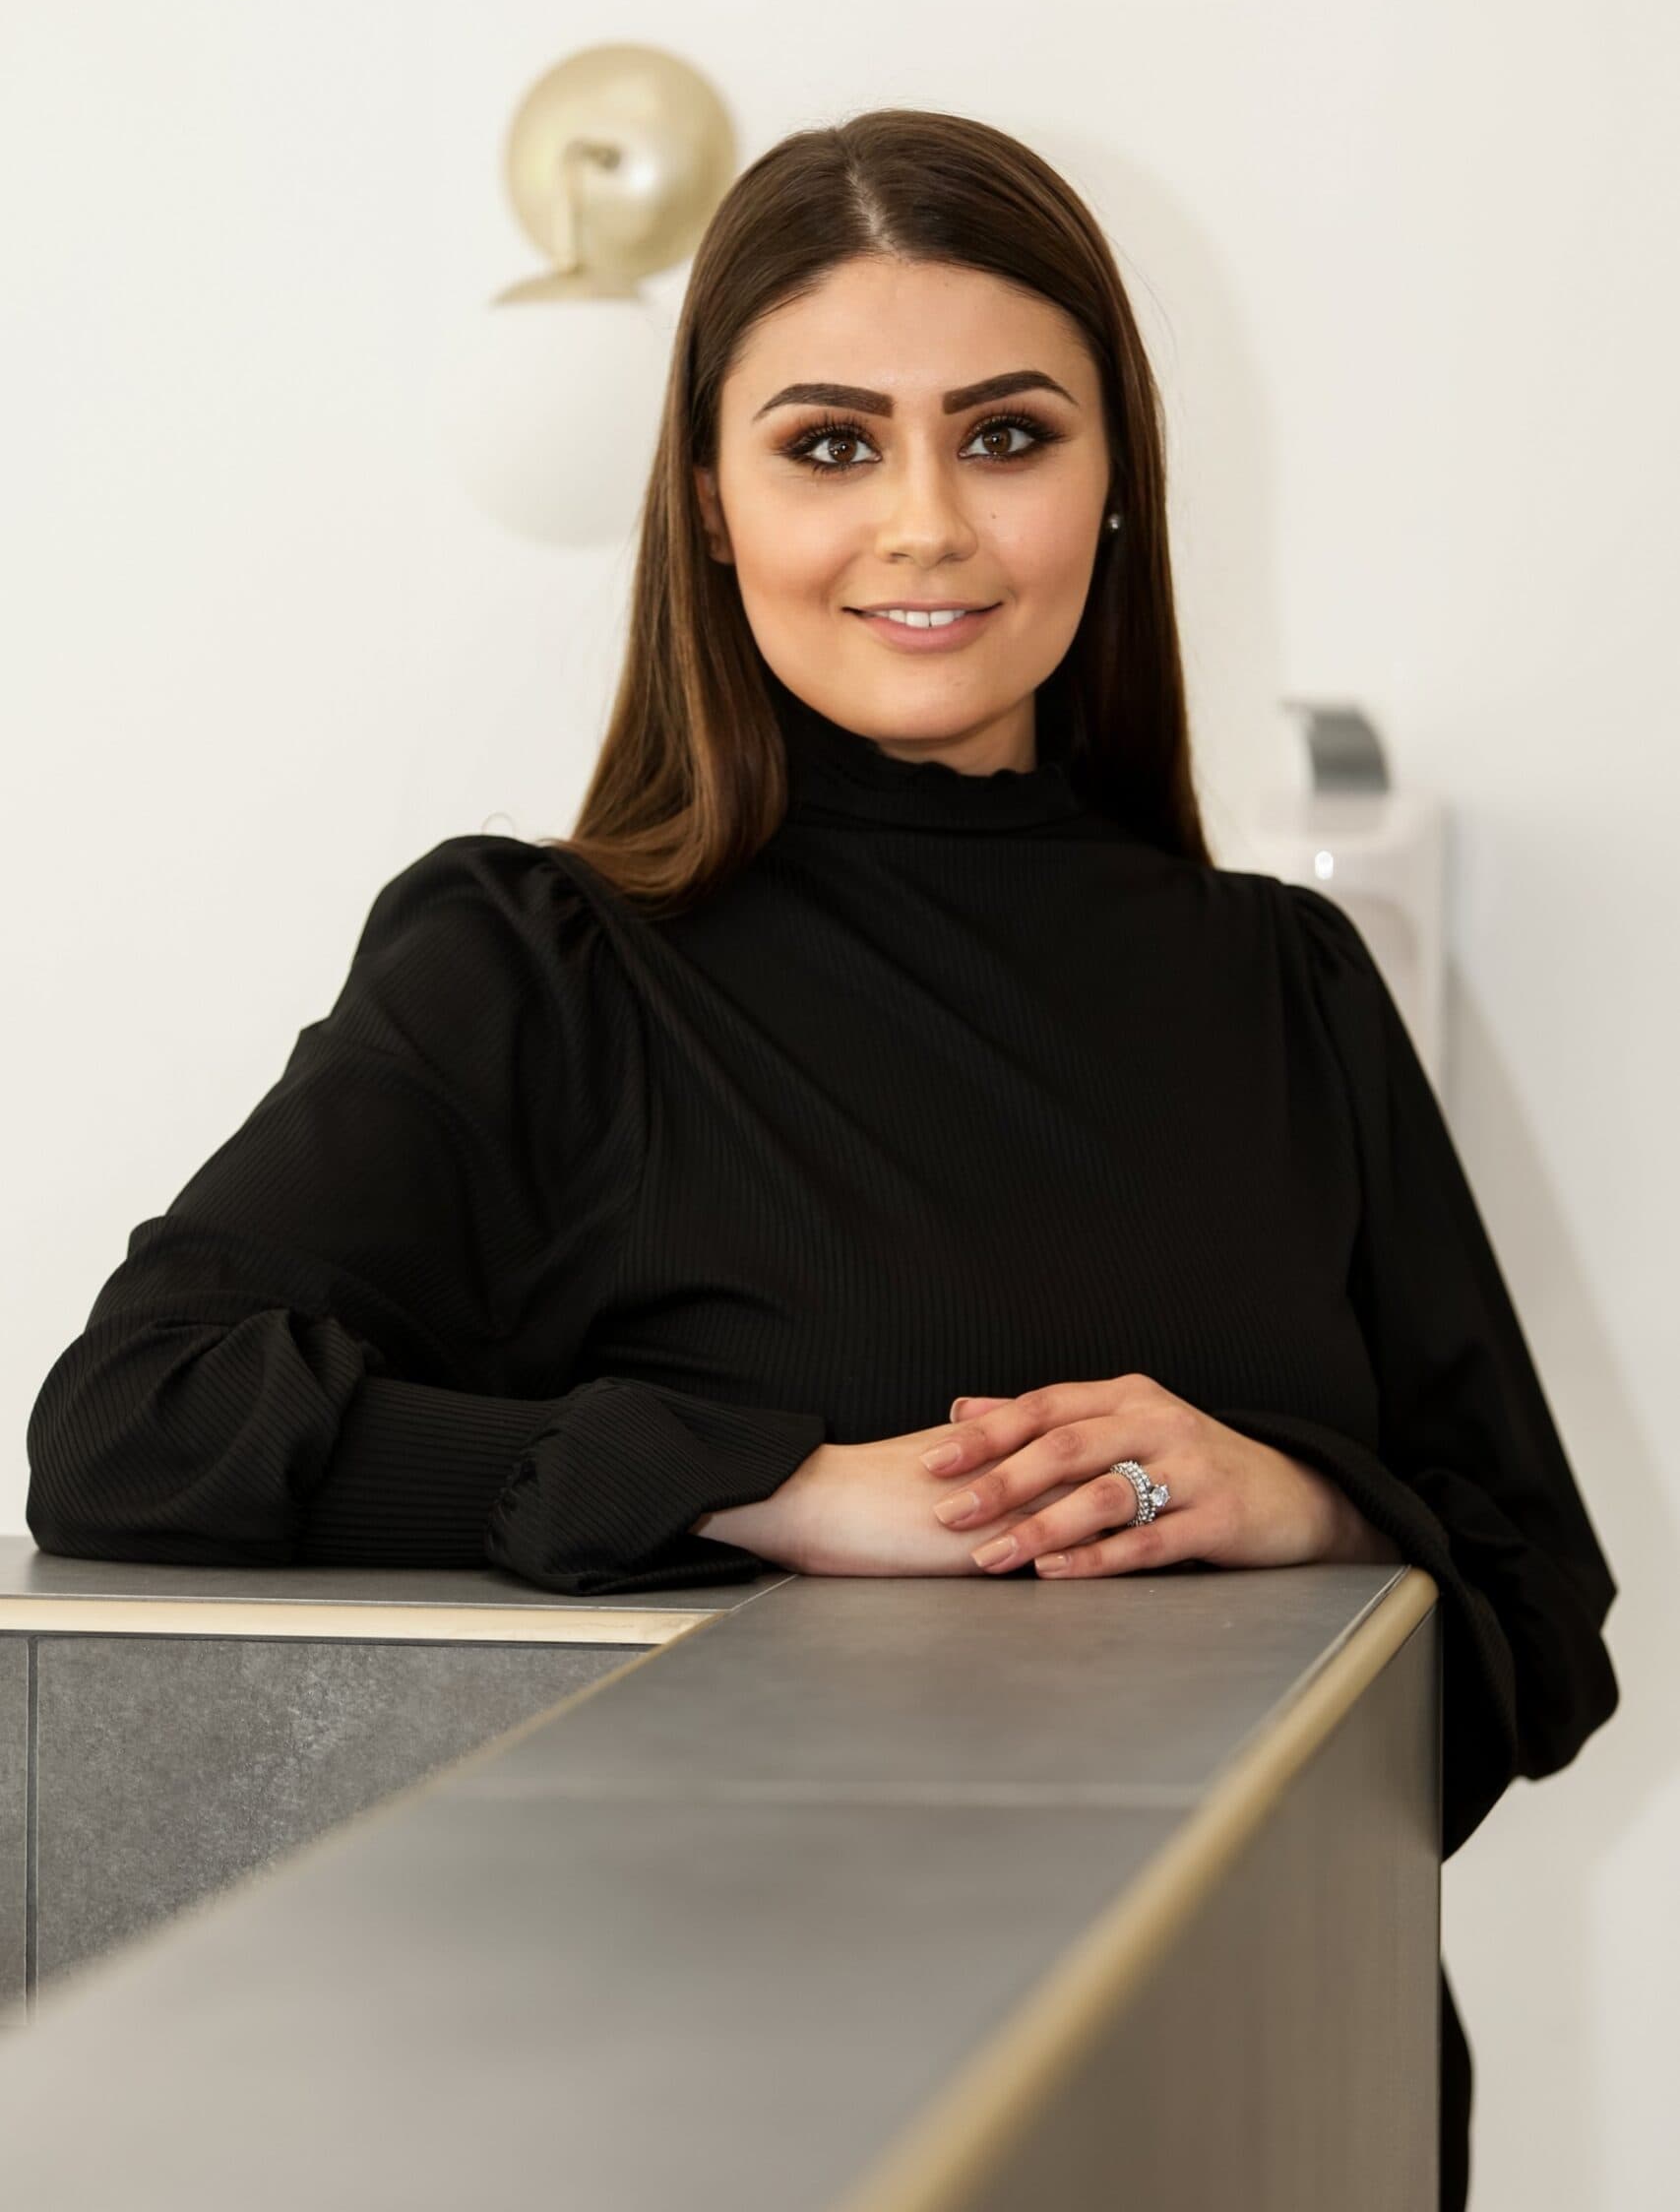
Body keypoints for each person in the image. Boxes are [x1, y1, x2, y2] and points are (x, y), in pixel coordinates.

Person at [26, 108, 1618, 2208]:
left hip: (1284, 2091)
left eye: (1006, 435)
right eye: (831, 445)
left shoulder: (1282, 981)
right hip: (748, 2110)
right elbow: (132, 1422)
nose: (926, 526)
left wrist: (1290, 1494)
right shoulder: (539, 967)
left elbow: (1543, 1613)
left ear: (1115, 480)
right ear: (709, 501)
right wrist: (768, 1483)